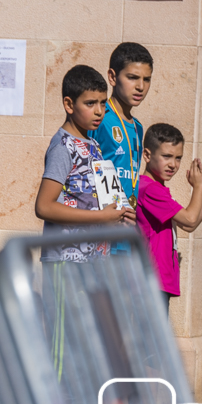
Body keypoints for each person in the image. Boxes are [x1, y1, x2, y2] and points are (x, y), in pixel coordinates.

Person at [34, 64, 136, 263]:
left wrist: (118, 217)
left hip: (95, 260)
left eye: (103, 103)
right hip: (65, 261)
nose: (99, 111)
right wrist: (102, 217)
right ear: (69, 104)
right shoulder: (63, 147)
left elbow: (98, 202)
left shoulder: (94, 144)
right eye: (90, 103)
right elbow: (44, 207)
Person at [135, 123, 202, 310]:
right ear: (147, 155)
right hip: (150, 280)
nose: (173, 164)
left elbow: (188, 224)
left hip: (158, 280)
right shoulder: (150, 189)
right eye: (167, 156)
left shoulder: (157, 189)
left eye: (178, 158)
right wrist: (198, 187)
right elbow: (190, 219)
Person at [91, 43, 152, 208]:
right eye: (132, 77)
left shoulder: (138, 127)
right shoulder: (99, 118)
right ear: (112, 77)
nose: (140, 87)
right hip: (100, 225)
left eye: (146, 79)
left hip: (127, 223)